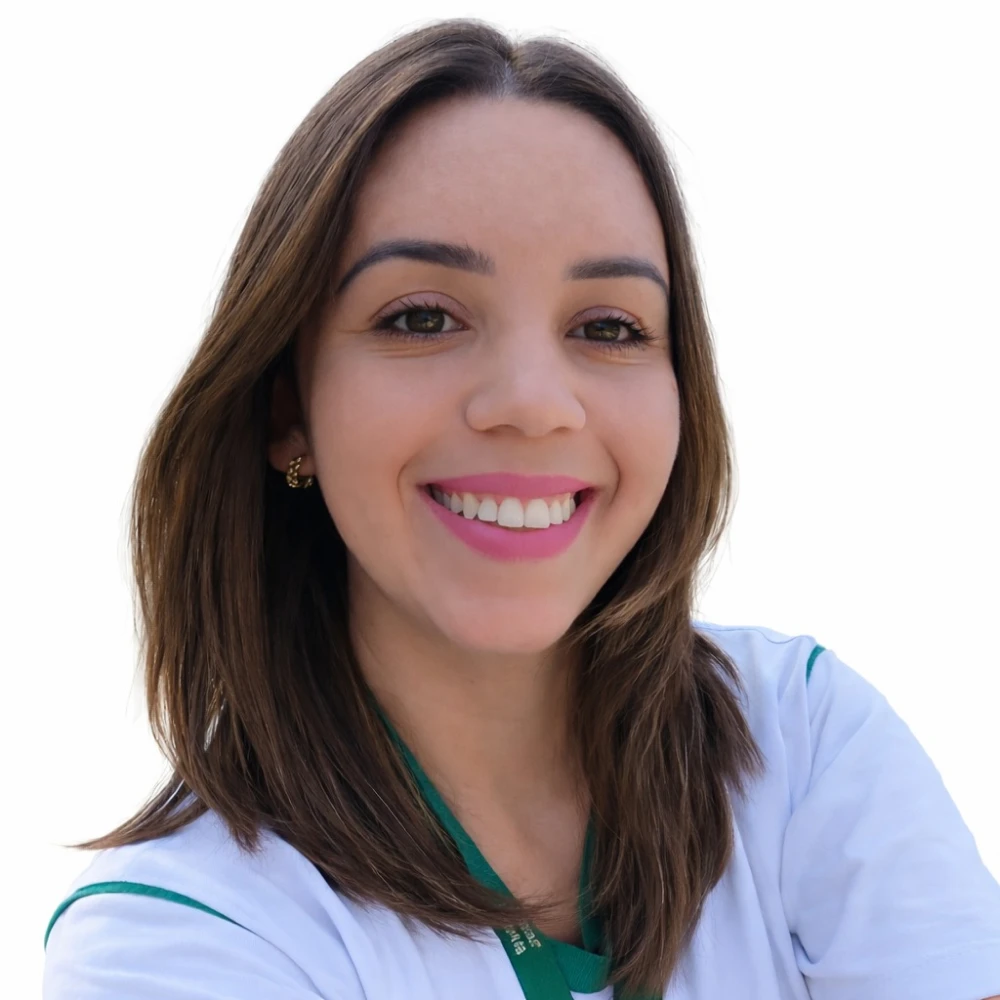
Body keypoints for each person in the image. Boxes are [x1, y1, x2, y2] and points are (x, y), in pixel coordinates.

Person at [41, 17, 1000, 1000]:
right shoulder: (176, 935)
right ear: (289, 411)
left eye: (609, 327)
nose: (535, 403)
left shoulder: (803, 744)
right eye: (422, 317)